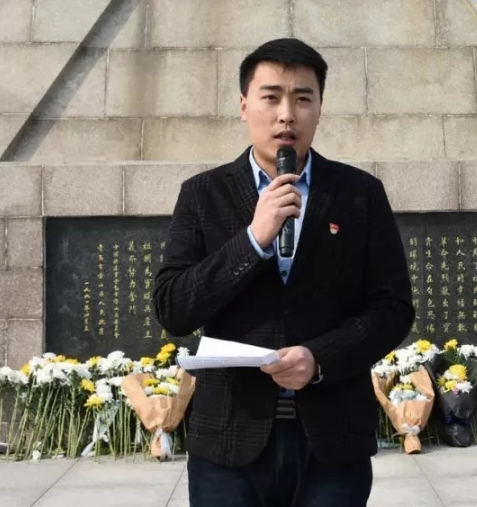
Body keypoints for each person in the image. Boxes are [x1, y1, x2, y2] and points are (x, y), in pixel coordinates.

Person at [153, 38, 415, 507]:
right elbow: (173, 308)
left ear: (320, 108)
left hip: (332, 441)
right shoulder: (203, 194)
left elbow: (393, 309)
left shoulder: (359, 193)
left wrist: (319, 358)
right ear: (244, 105)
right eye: (271, 97)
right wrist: (253, 239)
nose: (286, 115)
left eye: (302, 98)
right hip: (228, 443)